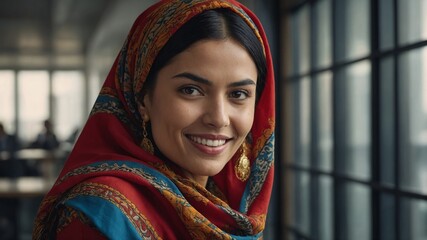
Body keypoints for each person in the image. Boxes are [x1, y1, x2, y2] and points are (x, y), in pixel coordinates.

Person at [33, 0, 275, 239]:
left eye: (238, 94)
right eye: (191, 90)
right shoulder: (101, 216)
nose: (219, 118)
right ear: (143, 99)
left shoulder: (229, 206)